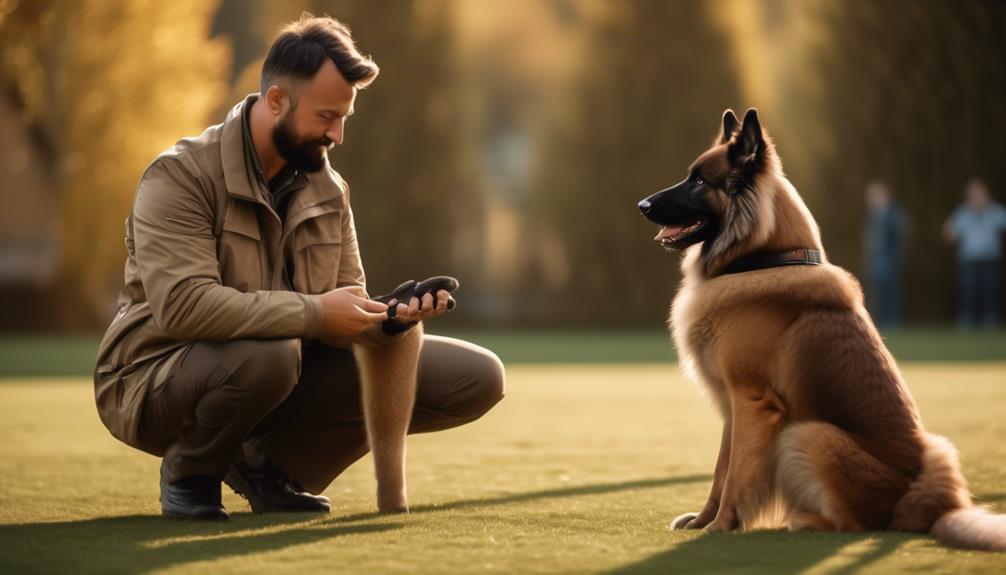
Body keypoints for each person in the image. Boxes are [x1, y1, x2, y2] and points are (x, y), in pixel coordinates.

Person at [93, 14, 505, 521]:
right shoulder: (178, 177)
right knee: (272, 356)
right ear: (276, 101)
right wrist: (314, 314)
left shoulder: (328, 189)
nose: (337, 134)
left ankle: (270, 468)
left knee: (476, 376)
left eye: (345, 118)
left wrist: (387, 319)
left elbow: (341, 308)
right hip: (153, 378)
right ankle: (191, 472)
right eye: (326, 116)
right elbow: (183, 307)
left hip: (277, 368)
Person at [943, 178, 1006, 329]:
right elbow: (948, 233)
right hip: (969, 259)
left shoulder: (995, 211)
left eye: (979, 194)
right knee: (968, 290)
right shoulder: (963, 213)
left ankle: (990, 319)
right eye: (973, 194)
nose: (977, 197)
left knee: (990, 289)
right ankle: (967, 319)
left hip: (990, 258)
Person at [863, 180, 908, 329]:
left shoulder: (894, 213)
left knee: (891, 290)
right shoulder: (873, 215)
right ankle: (879, 321)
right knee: (877, 290)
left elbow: (901, 235)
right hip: (876, 258)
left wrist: (897, 256)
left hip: (889, 258)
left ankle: (893, 320)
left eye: (875, 195)